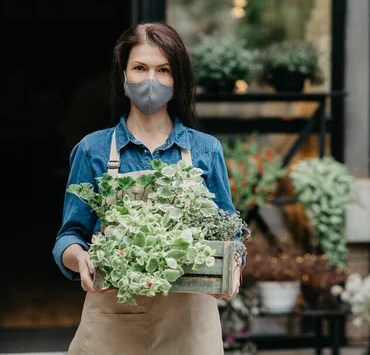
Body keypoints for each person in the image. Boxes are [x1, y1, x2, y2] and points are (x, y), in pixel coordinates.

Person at [52, 21, 243, 354]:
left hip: (190, 323)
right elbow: (69, 236)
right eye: (140, 68)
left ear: (177, 79)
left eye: (163, 70)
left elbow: (231, 237)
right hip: (112, 318)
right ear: (123, 76)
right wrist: (79, 258)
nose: (151, 80)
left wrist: (233, 267)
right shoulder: (92, 150)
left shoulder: (205, 150)